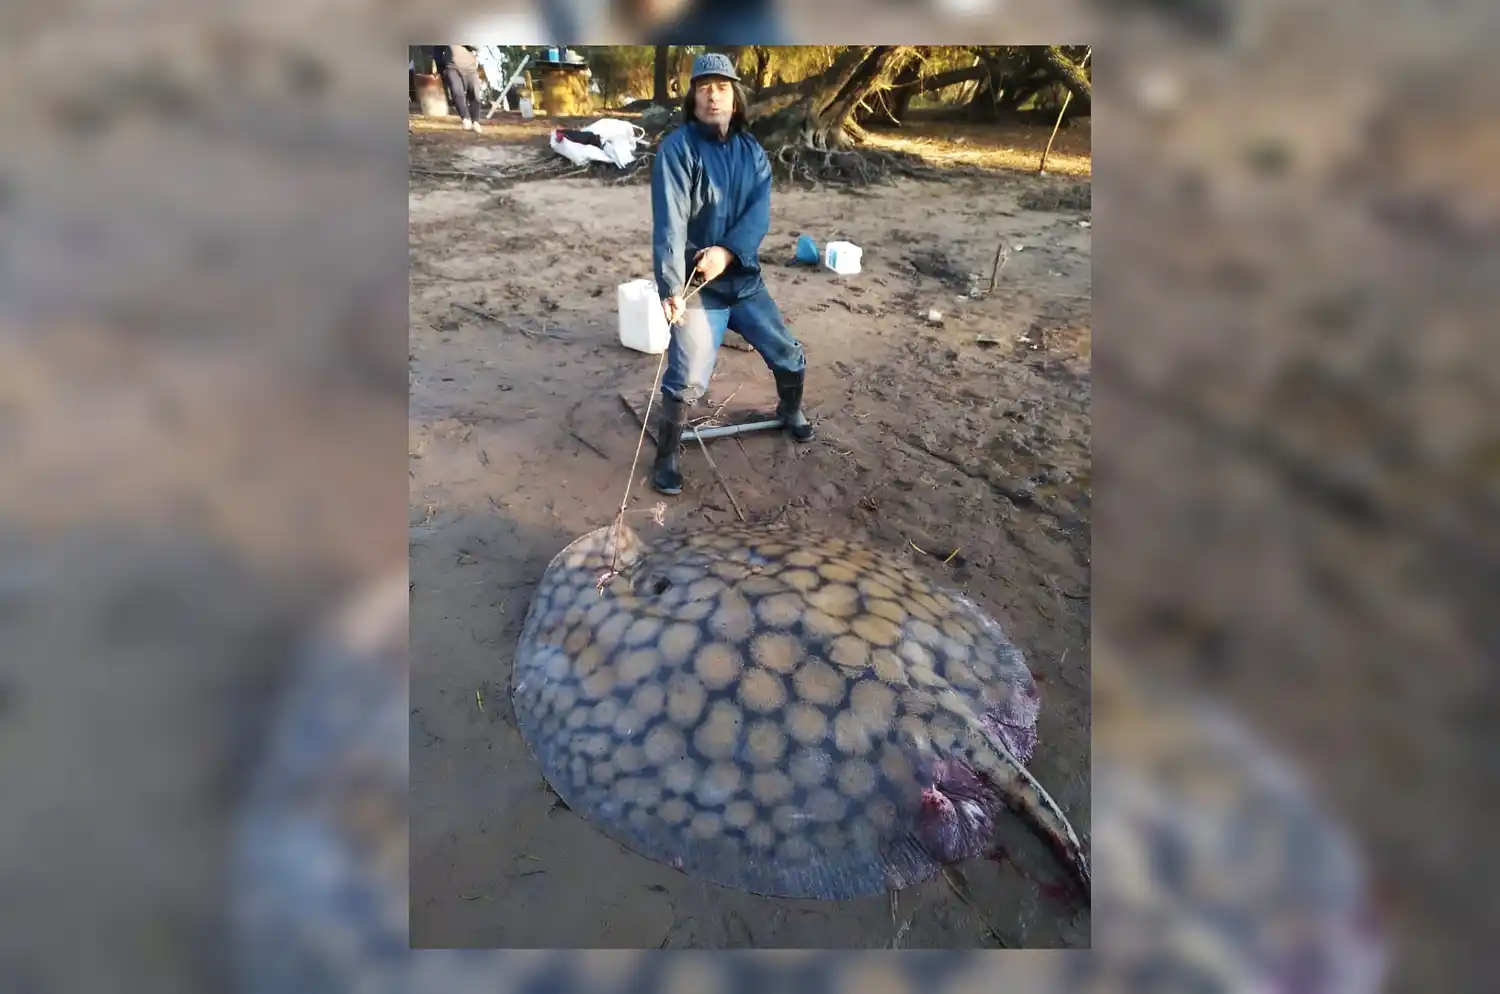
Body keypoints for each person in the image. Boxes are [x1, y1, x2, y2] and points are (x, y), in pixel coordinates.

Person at [648, 52, 812, 496]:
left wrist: (727, 252)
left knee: (788, 352)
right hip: (698, 288)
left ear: (735, 98)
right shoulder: (677, 150)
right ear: (693, 98)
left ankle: (790, 411)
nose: (712, 95)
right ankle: (666, 455)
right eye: (703, 88)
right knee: (687, 379)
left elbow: (759, 214)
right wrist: (670, 286)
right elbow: (670, 222)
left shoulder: (752, 151)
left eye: (721, 87)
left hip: (743, 279)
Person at [434, 45, 484, 134]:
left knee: (474, 93)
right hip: (451, 66)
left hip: (470, 67)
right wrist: (440, 68)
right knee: (457, 91)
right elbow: (437, 50)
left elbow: (478, 46)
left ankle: (475, 121)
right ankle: (465, 119)